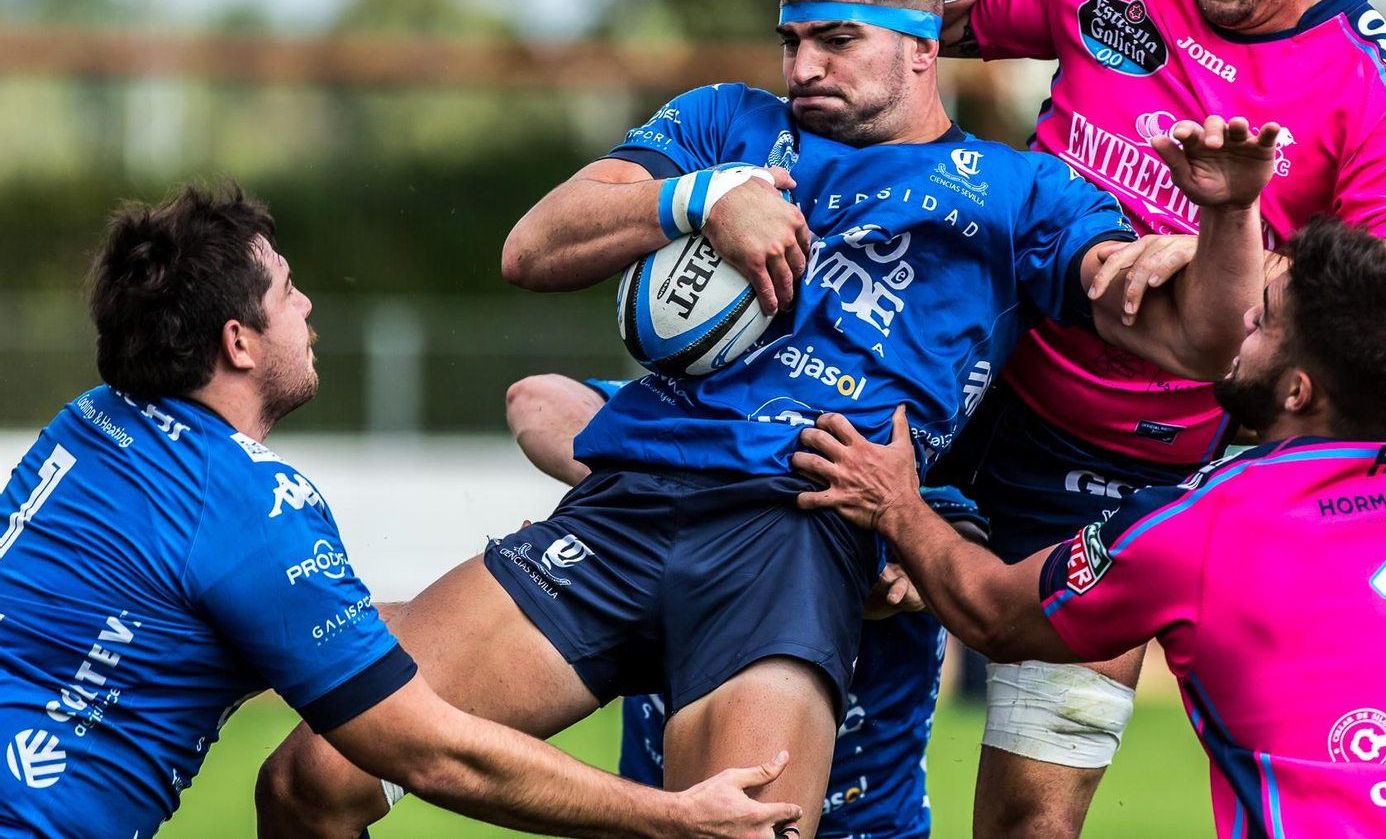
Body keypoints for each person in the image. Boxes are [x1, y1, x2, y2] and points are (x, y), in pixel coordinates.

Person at [255, 0, 1279, 839]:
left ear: (923, 48)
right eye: (792, 40)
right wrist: (701, 200)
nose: (805, 66)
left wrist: (1228, 215)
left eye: (837, 41)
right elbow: (533, 247)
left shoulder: (1020, 194)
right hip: (625, 507)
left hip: (793, 530)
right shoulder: (723, 124)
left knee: (743, 828)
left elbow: (1199, 341)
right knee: (311, 779)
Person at [916, 0, 1386, 834]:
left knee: (1028, 819)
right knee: (834, 705)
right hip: (951, 380)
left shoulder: (1371, 94)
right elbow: (903, 23)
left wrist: (1232, 251)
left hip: (1120, 470)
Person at [0, 184, 801, 839]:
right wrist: (673, 815)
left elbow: (233, 623)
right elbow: (432, 753)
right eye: (287, 290)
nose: (309, 303)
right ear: (238, 342)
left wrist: (524, 595)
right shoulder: (249, 506)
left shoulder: (92, 422)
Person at [794, 218, 1386, 838]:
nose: (1246, 318)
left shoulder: (1209, 518)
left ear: (1298, 389)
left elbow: (993, 612)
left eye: (1267, 318)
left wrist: (896, 504)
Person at [505, 373, 990, 839]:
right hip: (662, 808)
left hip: (864, 820)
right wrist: (625, 488)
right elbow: (533, 399)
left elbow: (969, 551)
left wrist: (908, 566)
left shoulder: (892, 479)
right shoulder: (694, 416)